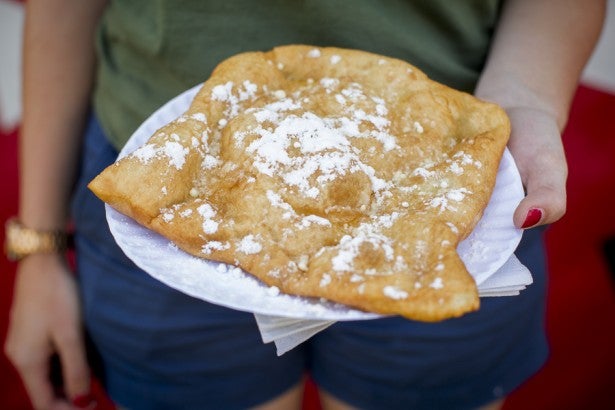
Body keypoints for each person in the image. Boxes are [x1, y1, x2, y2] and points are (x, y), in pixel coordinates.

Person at [4, 0, 605, 409]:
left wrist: (521, 100)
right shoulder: (159, 186)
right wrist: (40, 245)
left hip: (453, 167)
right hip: (159, 169)